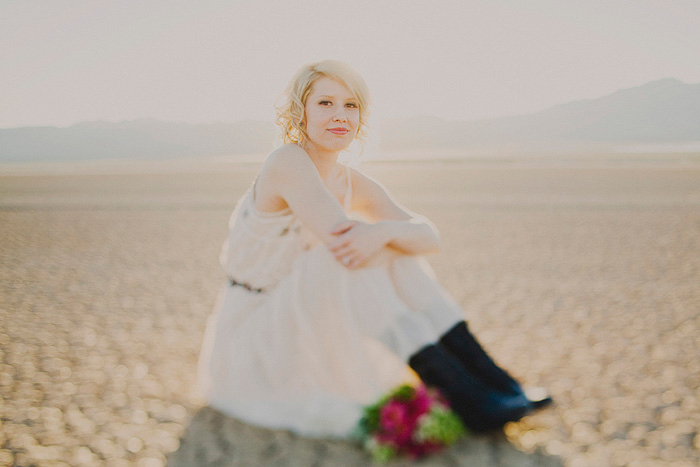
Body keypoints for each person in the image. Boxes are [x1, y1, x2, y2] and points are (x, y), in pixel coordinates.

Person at [196, 59, 551, 438]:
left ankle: (496, 384)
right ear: (301, 111)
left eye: (351, 105)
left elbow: (429, 237)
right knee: (350, 258)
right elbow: (344, 244)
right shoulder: (288, 162)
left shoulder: (351, 181)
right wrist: (384, 238)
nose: (340, 115)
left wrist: (382, 231)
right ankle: (469, 394)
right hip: (257, 334)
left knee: (393, 252)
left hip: (302, 315)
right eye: (325, 103)